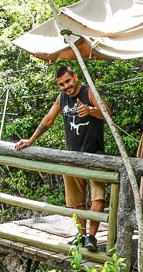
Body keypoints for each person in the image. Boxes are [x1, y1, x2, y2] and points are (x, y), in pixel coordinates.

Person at [15, 66, 109, 252]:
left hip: (94, 155)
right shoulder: (62, 98)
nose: (66, 86)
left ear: (75, 77)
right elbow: (48, 120)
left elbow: (106, 112)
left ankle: (92, 237)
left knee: (98, 197)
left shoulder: (88, 91)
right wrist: (31, 140)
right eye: (62, 84)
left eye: (68, 81)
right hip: (71, 156)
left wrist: (90, 110)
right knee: (77, 201)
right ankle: (81, 236)